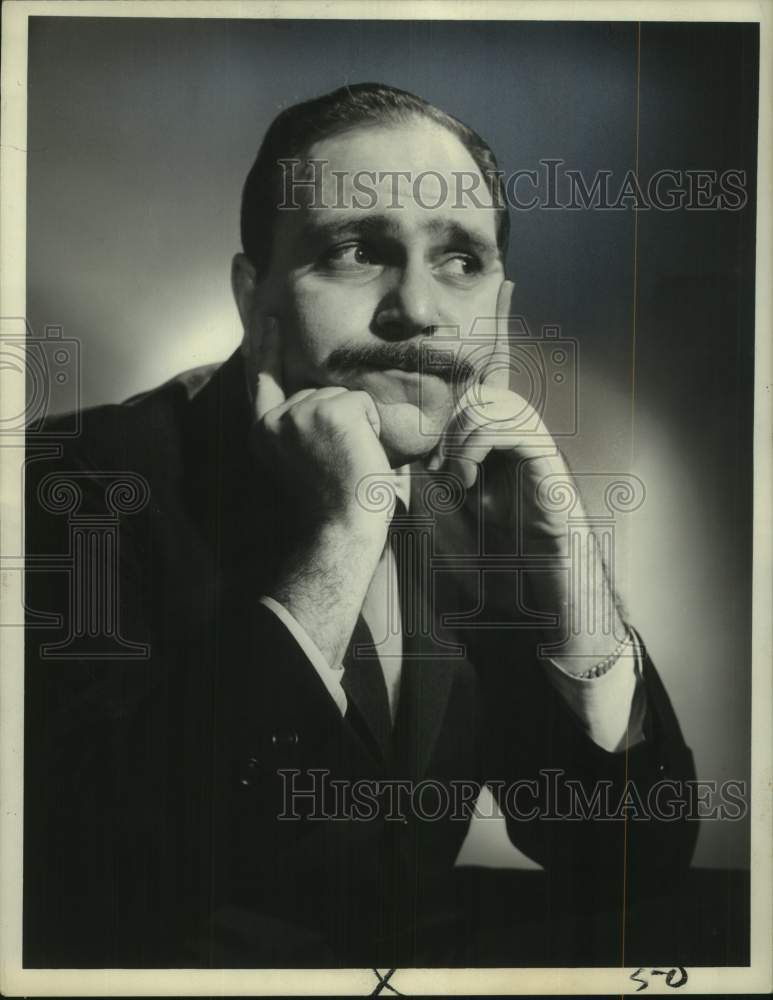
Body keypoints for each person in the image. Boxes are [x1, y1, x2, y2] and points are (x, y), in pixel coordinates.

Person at [23, 83, 696, 969]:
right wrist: (342, 535)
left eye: (460, 261)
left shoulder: (476, 504)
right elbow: (103, 880)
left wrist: (570, 567)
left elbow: (623, 858)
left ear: (494, 309)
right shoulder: (78, 482)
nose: (416, 309)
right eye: (355, 250)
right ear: (252, 295)